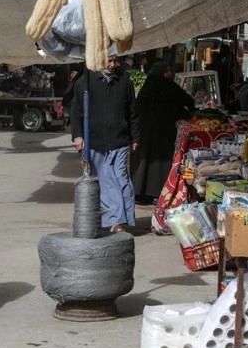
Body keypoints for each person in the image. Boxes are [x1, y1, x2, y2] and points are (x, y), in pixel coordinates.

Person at [70, 48, 140, 233]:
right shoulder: (84, 82)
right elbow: (76, 113)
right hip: (95, 140)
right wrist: (77, 136)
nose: (113, 64)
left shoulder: (124, 80)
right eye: (109, 61)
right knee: (107, 180)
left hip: (120, 138)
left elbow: (132, 111)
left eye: (115, 60)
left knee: (122, 180)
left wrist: (135, 136)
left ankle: (121, 219)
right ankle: (116, 221)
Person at [130, 62, 195, 204]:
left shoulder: (146, 87)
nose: (170, 74)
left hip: (144, 128)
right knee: (161, 159)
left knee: (145, 158)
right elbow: (189, 101)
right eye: (168, 72)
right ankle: (157, 192)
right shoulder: (168, 85)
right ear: (163, 73)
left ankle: (139, 192)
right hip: (164, 128)